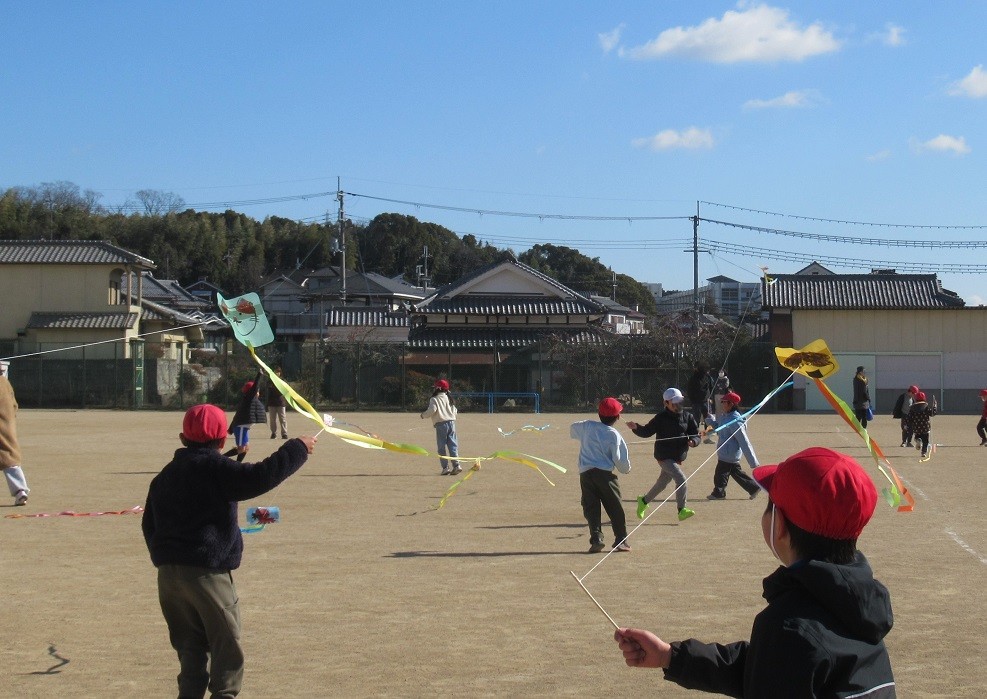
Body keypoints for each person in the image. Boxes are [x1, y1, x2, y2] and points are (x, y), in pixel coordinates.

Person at [614, 447, 895, 697]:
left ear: (779, 525)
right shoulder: (858, 602)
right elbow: (777, 669)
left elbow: (782, 666)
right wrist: (671, 657)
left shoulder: (789, 627)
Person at [142, 404, 317, 698]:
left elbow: (149, 524)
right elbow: (260, 476)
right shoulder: (216, 469)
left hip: (168, 577)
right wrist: (297, 448)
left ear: (183, 438)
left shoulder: (166, 475)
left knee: (190, 648)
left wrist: (167, 559)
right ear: (223, 439)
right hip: (207, 574)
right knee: (226, 646)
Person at [626, 387, 699, 523]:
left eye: (679, 401)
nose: (678, 404)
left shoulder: (688, 416)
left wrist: (694, 441)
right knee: (681, 479)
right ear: (666, 403)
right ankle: (681, 510)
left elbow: (695, 434)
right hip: (664, 456)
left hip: (677, 456)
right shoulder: (660, 418)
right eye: (674, 402)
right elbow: (647, 431)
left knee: (662, 484)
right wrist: (636, 427)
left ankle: (643, 501)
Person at [571, 397, 632, 553]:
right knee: (615, 506)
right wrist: (626, 469)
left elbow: (573, 428)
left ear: (599, 414)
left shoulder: (587, 426)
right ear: (617, 417)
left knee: (590, 507)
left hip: (585, 475)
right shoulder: (614, 435)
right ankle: (621, 540)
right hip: (605, 476)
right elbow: (620, 461)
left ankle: (596, 538)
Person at [704, 391, 760, 500]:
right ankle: (753, 488)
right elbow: (719, 429)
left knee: (720, 474)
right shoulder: (725, 416)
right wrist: (709, 419)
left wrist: (753, 461)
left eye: (724, 402)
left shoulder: (735, 421)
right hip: (726, 452)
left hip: (729, 454)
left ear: (731, 404)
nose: (722, 404)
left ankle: (719, 492)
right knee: (736, 473)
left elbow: (744, 441)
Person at [1, 366, 30, 506]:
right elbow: (14, 405)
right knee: (11, 461)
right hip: (7, 426)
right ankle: (20, 491)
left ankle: (20, 491)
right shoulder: (5, 383)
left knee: (9, 460)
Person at [421, 378, 461, 475]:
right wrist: (451, 416)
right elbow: (455, 410)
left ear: (438, 388)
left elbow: (432, 410)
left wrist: (423, 415)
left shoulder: (434, 399)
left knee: (441, 447)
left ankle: (445, 468)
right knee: (453, 445)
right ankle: (456, 465)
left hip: (441, 424)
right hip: (452, 423)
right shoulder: (449, 398)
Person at [223, 372, 266, 462]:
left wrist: (230, 429)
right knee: (242, 448)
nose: (258, 393)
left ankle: (236, 463)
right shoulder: (249, 399)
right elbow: (254, 387)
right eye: (257, 391)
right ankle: (222, 459)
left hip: (243, 427)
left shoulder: (249, 400)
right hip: (241, 427)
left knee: (245, 448)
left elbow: (237, 415)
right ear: (252, 391)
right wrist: (259, 375)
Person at [904, 390, 938, 461]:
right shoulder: (926, 406)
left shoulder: (912, 407)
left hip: (916, 427)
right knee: (925, 441)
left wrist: (907, 424)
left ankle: (917, 440)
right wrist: (935, 406)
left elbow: (909, 417)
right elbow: (932, 413)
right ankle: (923, 452)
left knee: (917, 436)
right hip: (925, 426)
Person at [686, 363, 714, 428]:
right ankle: (695, 432)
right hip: (696, 402)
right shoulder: (693, 378)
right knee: (696, 419)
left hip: (706, 401)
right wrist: (692, 400)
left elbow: (711, 387)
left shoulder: (707, 377)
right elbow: (689, 390)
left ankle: (708, 432)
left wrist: (710, 398)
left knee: (708, 419)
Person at [265, 366, 289, 439]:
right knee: (272, 420)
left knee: (283, 419)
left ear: (280, 373)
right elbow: (270, 389)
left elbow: (284, 390)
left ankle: (284, 433)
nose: (277, 373)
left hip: (281, 403)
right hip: (272, 403)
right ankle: (273, 433)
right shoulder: (270, 381)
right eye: (276, 372)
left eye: (278, 372)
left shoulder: (283, 381)